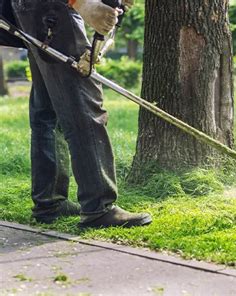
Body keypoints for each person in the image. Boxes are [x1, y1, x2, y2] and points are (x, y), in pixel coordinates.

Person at [0, 0, 152, 228]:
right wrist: (80, 2)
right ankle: (98, 207)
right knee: (82, 105)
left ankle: (50, 202)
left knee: (49, 109)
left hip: (32, 8)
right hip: (51, 7)